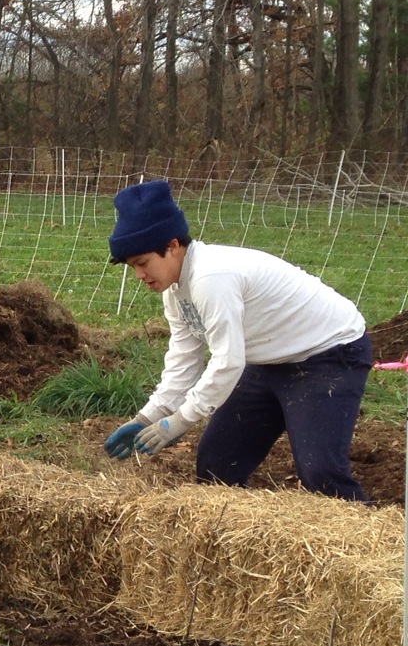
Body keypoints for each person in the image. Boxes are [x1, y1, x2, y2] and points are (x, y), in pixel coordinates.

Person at [101, 179, 372, 501]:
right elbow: (184, 358)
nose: (139, 276)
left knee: (320, 472)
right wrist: (150, 415)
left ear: (172, 246)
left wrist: (181, 421)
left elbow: (227, 360)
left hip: (327, 354)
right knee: (217, 465)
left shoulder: (211, 278)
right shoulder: (175, 289)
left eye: (143, 263)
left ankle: (375, 543)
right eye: (133, 268)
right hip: (267, 359)